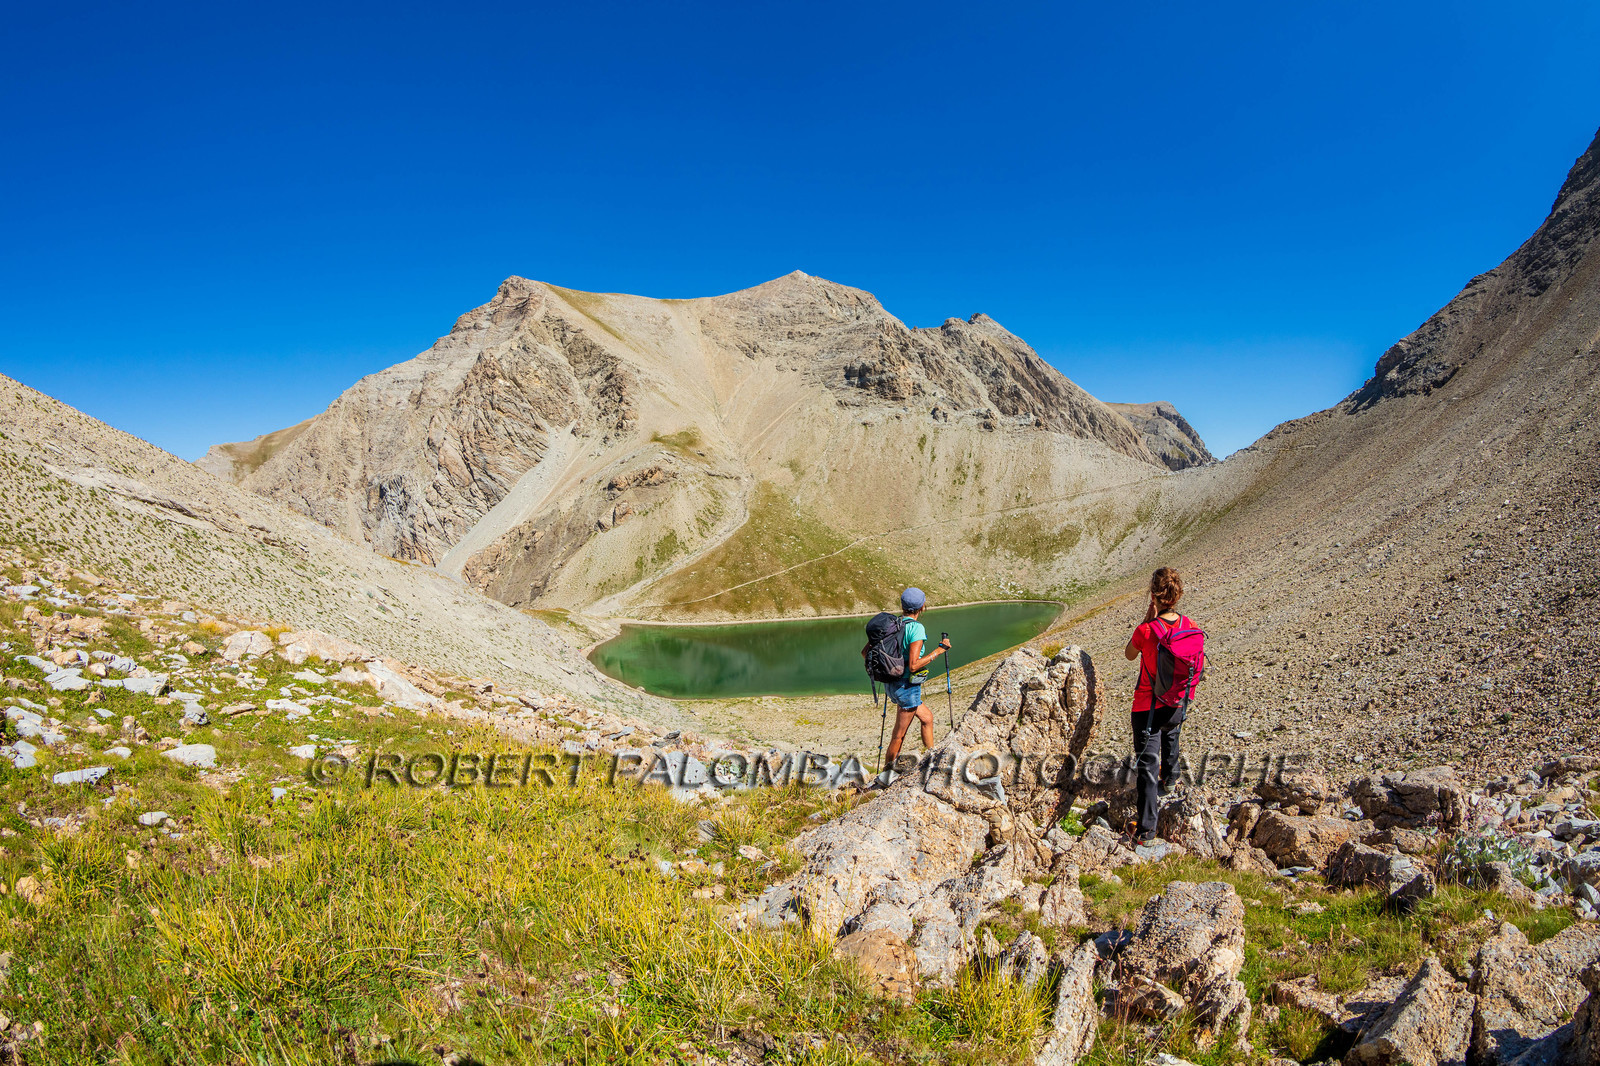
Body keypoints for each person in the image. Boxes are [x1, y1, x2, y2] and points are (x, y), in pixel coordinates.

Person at [1124, 566, 1188, 843]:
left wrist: (1145, 621)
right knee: (1171, 734)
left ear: (1154, 595)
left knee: (1147, 768)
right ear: (1177, 595)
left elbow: (1129, 654)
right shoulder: (1190, 627)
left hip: (1147, 708)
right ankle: (1171, 778)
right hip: (1176, 703)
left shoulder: (1146, 631)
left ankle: (1146, 830)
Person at [878, 587, 950, 770]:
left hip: (891, 684)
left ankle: (932, 756)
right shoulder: (916, 628)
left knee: (927, 718)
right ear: (922, 607)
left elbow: (866, 653)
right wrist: (938, 651)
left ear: (902, 605)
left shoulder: (891, 624)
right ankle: (887, 773)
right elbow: (914, 665)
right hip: (907, 688)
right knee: (898, 736)